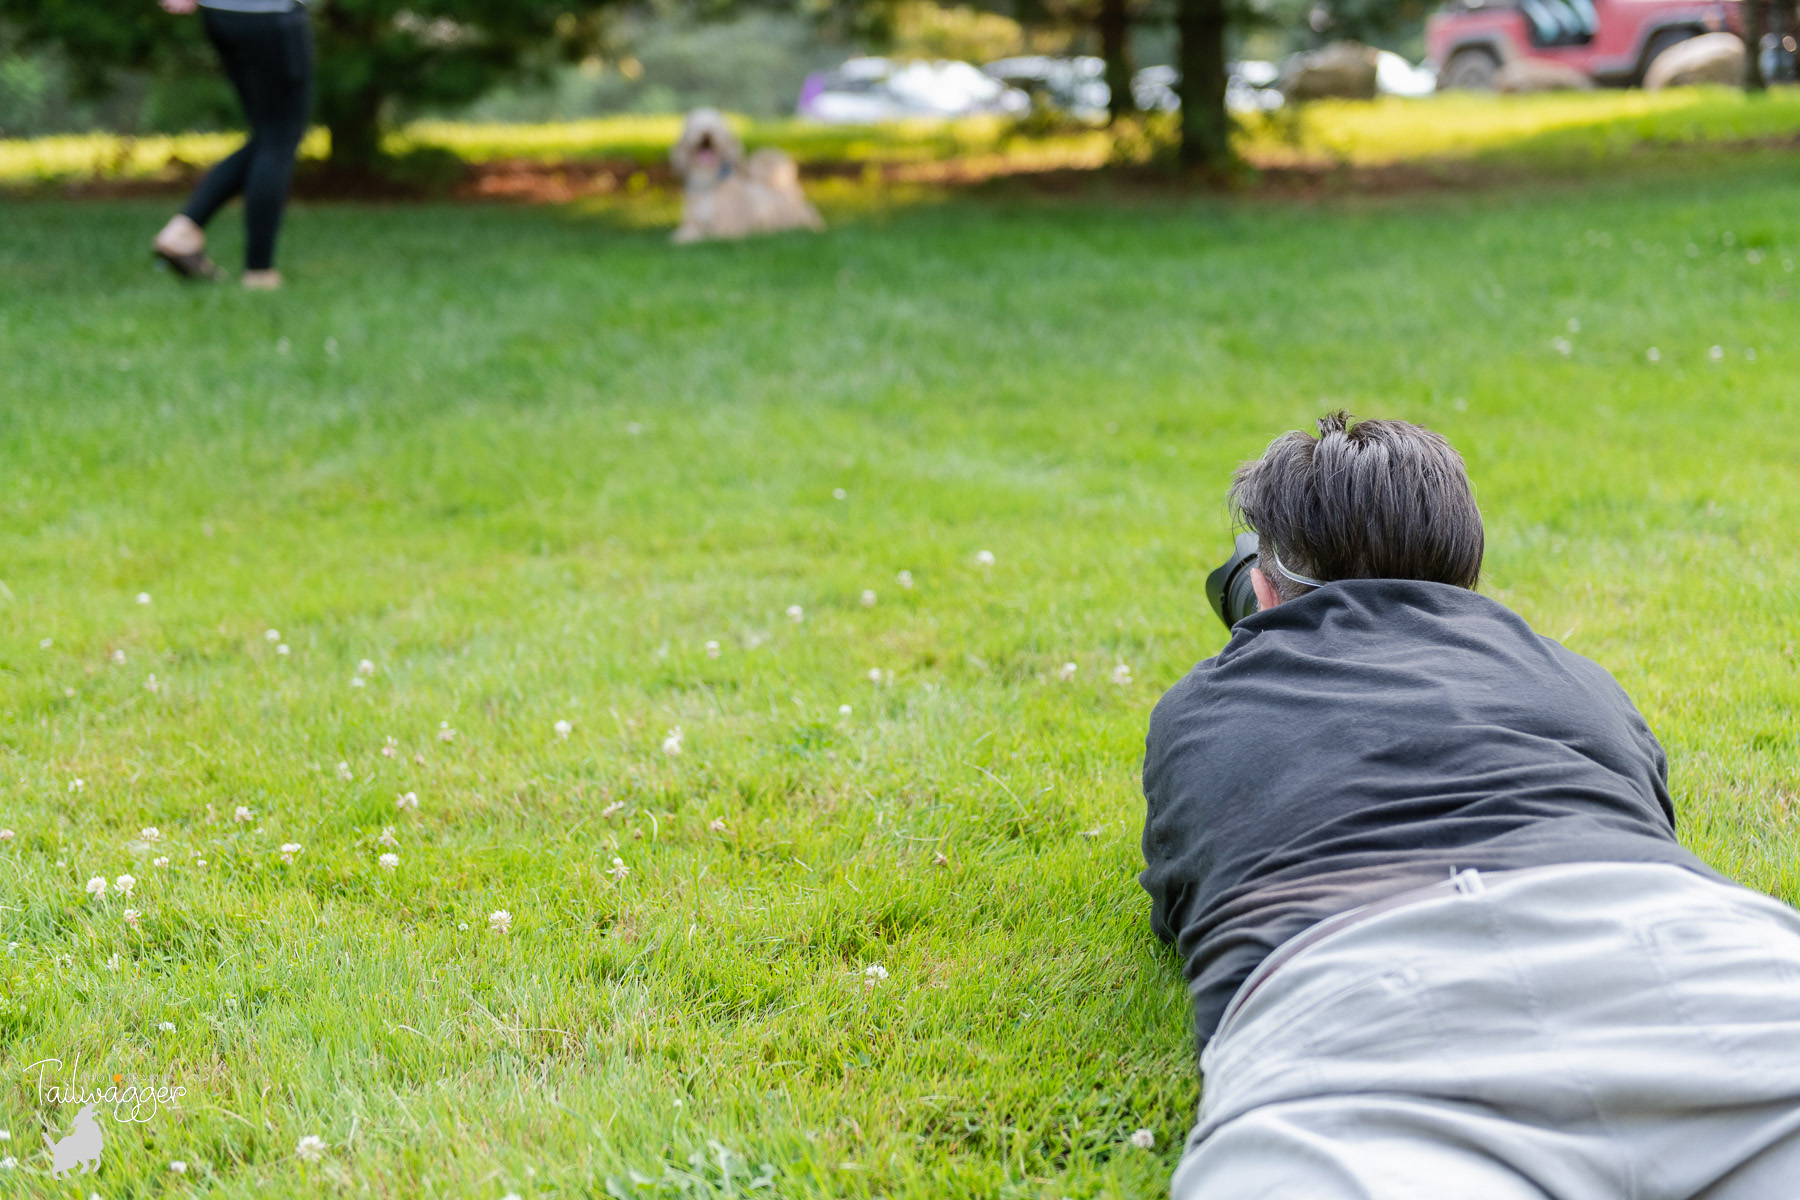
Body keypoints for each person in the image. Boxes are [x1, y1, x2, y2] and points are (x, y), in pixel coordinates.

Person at [1141, 412, 1800, 1198]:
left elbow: (1187, 903)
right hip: (1696, 955)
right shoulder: (1578, 680)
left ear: (1261, 586)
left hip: (1360, 1009)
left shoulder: (1201, 709)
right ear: (1465, 572)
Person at [151, 0, 313, 289]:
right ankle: (259, 272)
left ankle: (185, 229)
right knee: (278, 138)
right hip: (268, 14)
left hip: (223, 14)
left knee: (269, 135)